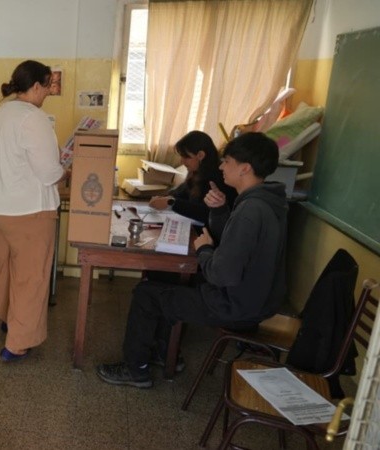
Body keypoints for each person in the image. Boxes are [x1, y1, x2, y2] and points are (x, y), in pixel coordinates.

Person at [96, 132, 288, 388]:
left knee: (147, 294)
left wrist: (204, 250)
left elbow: (221, 274)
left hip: (236, 306)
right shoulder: (266, 202)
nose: (221, 166)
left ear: (245, 169)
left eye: (227, 161)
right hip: (254, 300)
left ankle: (136, 370)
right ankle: (165, 355)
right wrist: (219, 211)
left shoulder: (251, 211)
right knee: (164, 283)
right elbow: (233, 243)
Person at [0, 60, 70, 362]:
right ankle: (16, 344)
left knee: (3, 270)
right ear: (35, 87)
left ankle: (7, 319)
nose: (48, 93)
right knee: (30, 277)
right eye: (47, 86)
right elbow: (48, 174)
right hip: (27, 212)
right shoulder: (34, 118)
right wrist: (67, 170)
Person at [148, 130, 237, 225]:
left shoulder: (219, 177)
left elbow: (206, 212)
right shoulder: (196, 172)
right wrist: (164, 198)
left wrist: (172, 202)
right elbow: (181, 193)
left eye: (186, 157)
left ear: (200, 155)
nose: (182, 161)